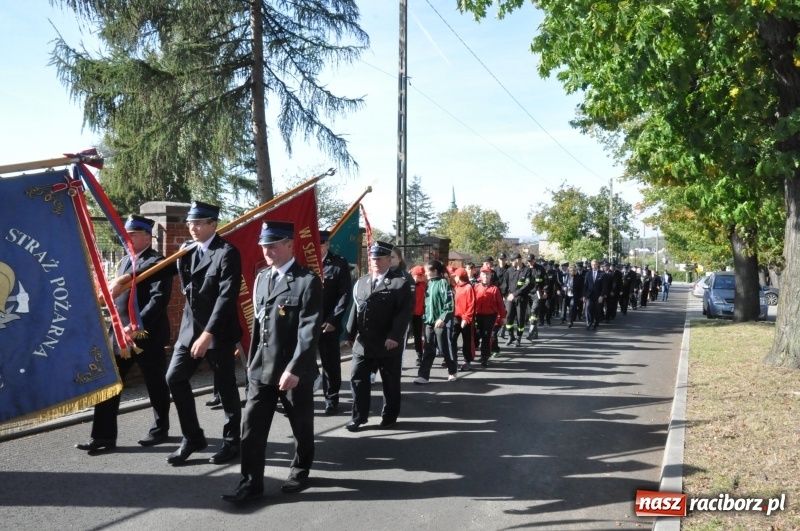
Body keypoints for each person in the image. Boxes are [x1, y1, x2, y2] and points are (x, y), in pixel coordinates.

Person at [222, 221, 322, 504]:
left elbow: (308, 331)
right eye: (264, 246)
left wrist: (295, 368)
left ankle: (300, 469)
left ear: (290, 245)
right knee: (251, 428)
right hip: (260, 369)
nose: (267, 250)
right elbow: (259, 328)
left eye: (273, 245)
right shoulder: (262, 277)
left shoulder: (306, 281)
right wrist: (250, 365)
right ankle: (250, 483)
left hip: (292, 372)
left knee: (300, 425)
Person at [75, 215, 172, 453]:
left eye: (133, 235)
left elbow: (159, 299)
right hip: (119, 335)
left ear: (147, 237)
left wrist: (137, 324)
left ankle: (160, 430)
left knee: (156, 383)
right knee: (110, 384)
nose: (126, 238)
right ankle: (103, 437)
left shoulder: (158, 262)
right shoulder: (125, 262)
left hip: (146, 336)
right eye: (125, 234)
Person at [165, 201, 242, 465]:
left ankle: (233, 442)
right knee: (174, 378)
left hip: (217, 332)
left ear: (213, 224)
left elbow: (226, 297)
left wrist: (208, 334)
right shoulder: (186, 251)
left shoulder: (227, 252)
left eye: (198, 223)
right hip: (189, 331)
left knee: (226, 387)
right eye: (190, 223)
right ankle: (193, 437)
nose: (193, 228)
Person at [344, 241, 413, 431]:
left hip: (387, 343)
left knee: (390, 383)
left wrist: (394, 337)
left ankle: (389, 416)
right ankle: (358, 417)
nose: (375, 262)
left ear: (388, 260)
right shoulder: (362, 282)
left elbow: (403, 314)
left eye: (380, 259)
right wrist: (349, 333)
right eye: (373, 258)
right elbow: (356, 309)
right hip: (364, 343)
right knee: (357, 380)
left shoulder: (400, 283)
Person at [317, 230, 352, 416]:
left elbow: (344, 295)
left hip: (328, 323)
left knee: (330, 363)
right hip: (306, 323)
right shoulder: (305, 262)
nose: (318, 247)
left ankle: (331, 399)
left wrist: (333, 320)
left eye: (321, 244)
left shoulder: (338, 263)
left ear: (327, 245)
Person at [415, 259, 457, 383]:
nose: (426, 273)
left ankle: (452, 370)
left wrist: (443, 318)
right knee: (428, 347)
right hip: (429, 320)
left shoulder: (443, 283)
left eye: (427, 271)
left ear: (435, 271)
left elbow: (449, 303)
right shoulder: (428, 284)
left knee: (444, 347)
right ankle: (423, 375)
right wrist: (425, 317)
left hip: (441, 321)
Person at [474, 265, 506, 367]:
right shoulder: (476, 287)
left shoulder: (495, 289)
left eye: (487, 274)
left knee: (486, 335)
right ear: (480, 275)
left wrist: (503, 316)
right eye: (484, 274)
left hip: (490, 315)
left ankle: (485, 357)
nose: (485, 276)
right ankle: (481, 354)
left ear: (490, 276)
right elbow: (472, 302)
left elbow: (500, 304)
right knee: (478, 334)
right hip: (478, 315)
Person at [501, 252, 532, 347]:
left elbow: (527, 285)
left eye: (513, 260)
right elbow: (505, 283)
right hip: (510, 298)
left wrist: (515, 294)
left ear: (518, 260)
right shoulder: (509, 270)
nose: (511, 262)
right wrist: (504, 295)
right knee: (508, 317)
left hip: (521, 298)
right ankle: (511, 336)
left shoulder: (527, 271)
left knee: (520, 319)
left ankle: (518, 338)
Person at [452, 267, 476, 371]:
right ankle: (453, 359)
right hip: (456, 317)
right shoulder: (456, 287)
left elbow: (471, 304)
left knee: (467, 340)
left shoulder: (468, 288)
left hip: (465, 318)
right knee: (452, 338)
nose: (454, 278)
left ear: (459, 277)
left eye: (455, 276)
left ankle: (467, 361)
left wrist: (466, 318)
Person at [409, 265, 427, 366]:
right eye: (419, 275)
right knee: (404, 336)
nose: (421, 277)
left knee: (418, 336)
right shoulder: (407, 284)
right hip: (408, 314)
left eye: (422, 275)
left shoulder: (424, 285)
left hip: (419, 314)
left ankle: (420, 356)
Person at [583, 259, 607, 330]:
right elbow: (585, 285)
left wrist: (602, 296)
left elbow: (604, 286)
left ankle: (596, 323)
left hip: (598, 295)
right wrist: (584, 295)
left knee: (597, 309)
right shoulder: (588, 273)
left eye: (595, 264)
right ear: (591, 265)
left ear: (598, 265)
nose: (594, 266)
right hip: (589, 295)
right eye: (592, 265)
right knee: (588, 307)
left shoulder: (602, 274)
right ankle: (589, 323)